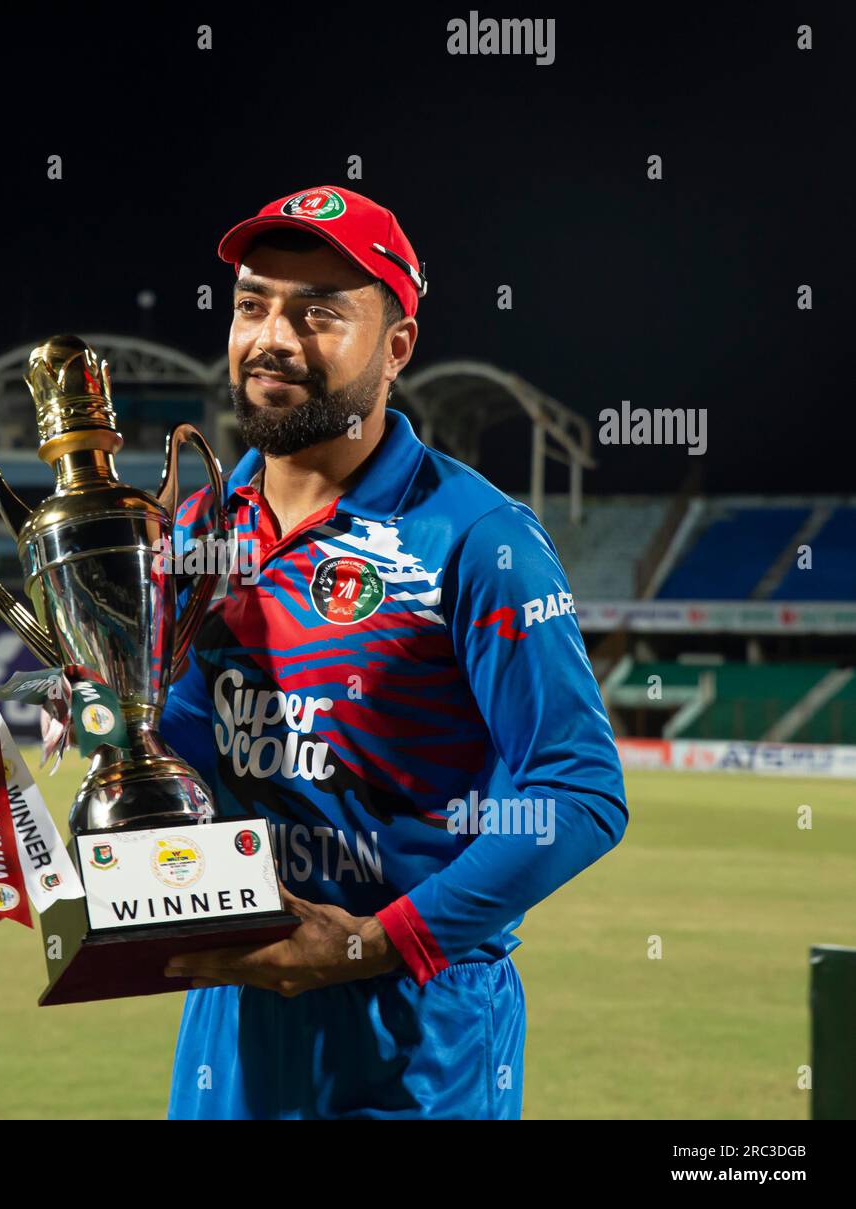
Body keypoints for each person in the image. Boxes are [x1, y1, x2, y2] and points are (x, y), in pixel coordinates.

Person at [158, 186, 628, 1119]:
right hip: (233, 1025)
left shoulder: (479, 536)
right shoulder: (202, 526)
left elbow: (580, 792)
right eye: (252, 304)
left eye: (320, 311)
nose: (273, 337)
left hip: (417, 1035)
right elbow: (185, 744)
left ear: (398, 346)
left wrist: (373, 942)